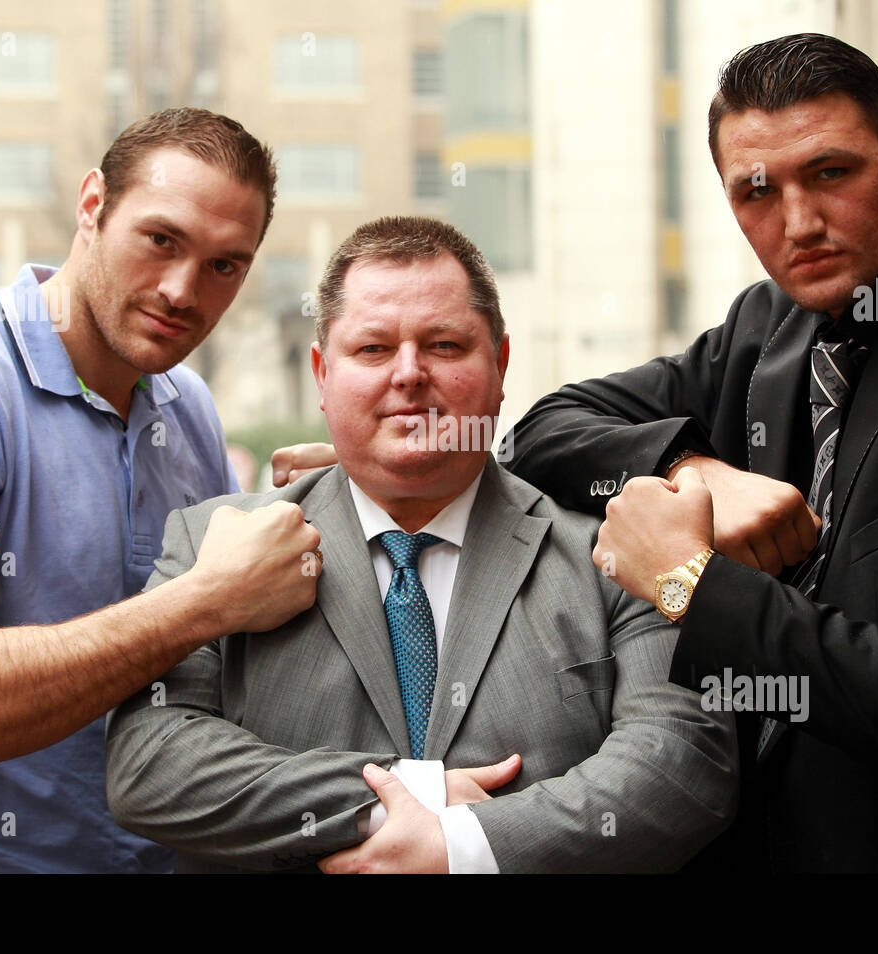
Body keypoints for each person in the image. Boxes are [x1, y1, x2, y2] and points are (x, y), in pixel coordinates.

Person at [500, 33, 878, 872]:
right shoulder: (772, 325)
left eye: (830, 173)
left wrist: (686, 582)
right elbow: (543, 431)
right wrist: (694, 469)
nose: (799, 223)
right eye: (757, 190)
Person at [106, 216, 737, 873]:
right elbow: (149, 763)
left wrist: (461, 848)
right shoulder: (212, 542)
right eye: (373, 349)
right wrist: (402, 797)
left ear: (500, 365)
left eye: (444, 345)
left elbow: (682, 764)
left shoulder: (617, 554)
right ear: (322, 374)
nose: (409, 374)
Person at [0, 108, 323, 872]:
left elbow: (228, 661)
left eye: (225, 265)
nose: (182, 290)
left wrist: (345, 509)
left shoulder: (186, 408)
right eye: (161, 240)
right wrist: (203, 602)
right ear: (92, 204)